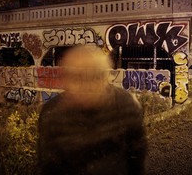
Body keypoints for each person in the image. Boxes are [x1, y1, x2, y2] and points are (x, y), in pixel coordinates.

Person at [38, 45, 147, 175]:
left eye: (94, 75)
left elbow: (136, 160)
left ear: (105, 77)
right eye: (78, 76)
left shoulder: (126, 105)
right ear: (66, 80)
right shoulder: (52, 113)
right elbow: (48, 167)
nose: (87, 85)